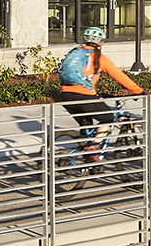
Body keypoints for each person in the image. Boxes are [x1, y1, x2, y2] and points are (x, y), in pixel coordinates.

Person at [55, 26, 143, 163]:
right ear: (100, 42)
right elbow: (119, 76)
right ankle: (93, 148)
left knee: (87, 127)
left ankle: (88, 162)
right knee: (108, 118)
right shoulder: (99, 57)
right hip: (84, 95)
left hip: (66, 95)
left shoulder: (76, 52)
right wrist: (138, 90)